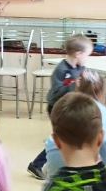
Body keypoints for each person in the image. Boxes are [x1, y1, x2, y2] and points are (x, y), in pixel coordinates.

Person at [27, 33, 93, 180]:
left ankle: (70, 165)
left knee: (68, 138)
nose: (87, 59)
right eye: (87, 55)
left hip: (69, 107)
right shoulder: (61, 70)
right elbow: (57, 91)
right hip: (56, 108)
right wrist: (74, 85)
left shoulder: (80, 67)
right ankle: (36, 165)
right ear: (78, 54)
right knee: (62, 139)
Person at [43, 69, 106, 178]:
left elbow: (54, 141)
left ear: (77, 87)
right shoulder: (103, 111)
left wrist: (49, 170)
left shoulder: (68, 105)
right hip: (88, 167)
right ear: (101, 93)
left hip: (57, 161)